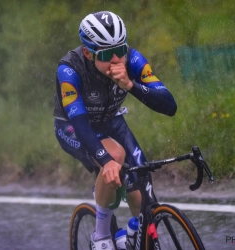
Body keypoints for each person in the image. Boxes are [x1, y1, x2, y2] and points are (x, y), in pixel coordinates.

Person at [53, 11, 177, 250]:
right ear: (88, 53)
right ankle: (100, 237)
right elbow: (79, 123)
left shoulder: (133, 60)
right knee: (115, 156)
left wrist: (131, 85)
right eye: (108, 55)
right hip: (73, 126)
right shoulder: (69, 69)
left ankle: (132, 232)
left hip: (111, 120)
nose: (117, 60)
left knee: (143, 193)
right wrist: (105, 160)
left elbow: (170, 106)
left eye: (121, 50)